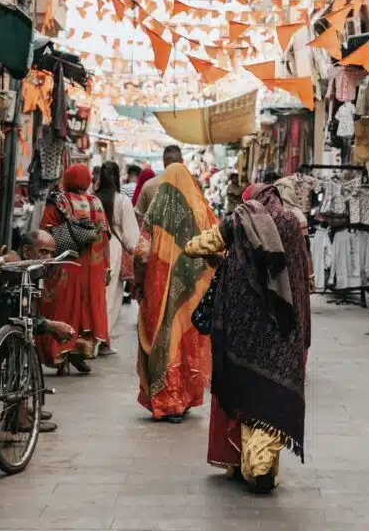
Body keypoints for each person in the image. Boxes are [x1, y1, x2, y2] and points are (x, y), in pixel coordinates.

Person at [184, 182, 311, 493]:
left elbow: (196, 247)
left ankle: (254, 464)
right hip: (284, 323)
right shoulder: (293, 223)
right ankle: (263, 466)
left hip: (243, 325)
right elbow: (300, 271)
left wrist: (226, 255)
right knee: (275, 389)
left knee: (245, 392)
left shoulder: (240, 219)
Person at [134, 160, 218, 422]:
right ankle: (183, 397)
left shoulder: (157, 210)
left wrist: (139, 280)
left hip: (159, 288)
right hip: (191, 290)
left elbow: (141, 253)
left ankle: (168, 400)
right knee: (184, 339)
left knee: (164, 338)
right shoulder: (200, 210)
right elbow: (216, 245)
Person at [0, 232, 74, 433]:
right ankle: (18, 418)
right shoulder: (14, 266)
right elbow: (11, 317)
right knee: (22, 342)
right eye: (43, 252)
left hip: (6, 327)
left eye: (50, 254)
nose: (47, 259)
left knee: (26, 339)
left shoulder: (32, 268)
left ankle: (20, 410)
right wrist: (48, 325)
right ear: (28, 250)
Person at [38, 163, 110, 375]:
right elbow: (103, 238)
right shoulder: (95, 203)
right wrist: (105, 267)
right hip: (90, 269)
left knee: (62, 308)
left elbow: (46, 232)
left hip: (65, 265)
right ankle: (79, 353)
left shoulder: (59, 201)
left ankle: (61, 356)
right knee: (85, 312)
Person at [96, 160, 140, 348]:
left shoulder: (93, 199)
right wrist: (137, 253)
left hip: (93, 247)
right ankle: (102, 337)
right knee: (111, 294)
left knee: (96, 293)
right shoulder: (122, 201)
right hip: (114, 248)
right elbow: (131, 237)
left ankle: (94, 336)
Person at [134, 145, 183, 219]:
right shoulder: (195, 185)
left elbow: (139, 216)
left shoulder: (149, 186)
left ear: (163, 162)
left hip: (154, 230)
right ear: (182, 161)